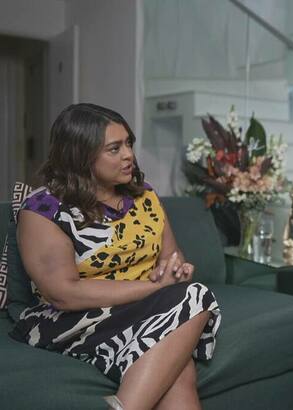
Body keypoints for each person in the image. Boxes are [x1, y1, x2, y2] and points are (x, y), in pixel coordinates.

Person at [9, 103, 221, 410]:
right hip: (75, 318)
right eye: (114, 148)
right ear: (80, 155)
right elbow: (64, 293)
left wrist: (176, 274)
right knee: (196, 301)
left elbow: (171, 258)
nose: (128, 155)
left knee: (176, 366)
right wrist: (158, 289)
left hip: (142, 308)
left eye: (129, 144)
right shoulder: (44, 210)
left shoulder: (144, 196)